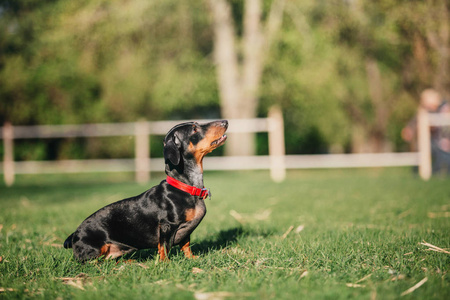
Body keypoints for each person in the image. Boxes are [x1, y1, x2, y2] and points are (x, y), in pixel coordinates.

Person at [402, 89, 450, 174]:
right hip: (432, 142)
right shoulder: (423, 112)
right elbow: (412, 126)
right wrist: (410, 130)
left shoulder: (442, 109)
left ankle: (436, 173)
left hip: (441, 142)